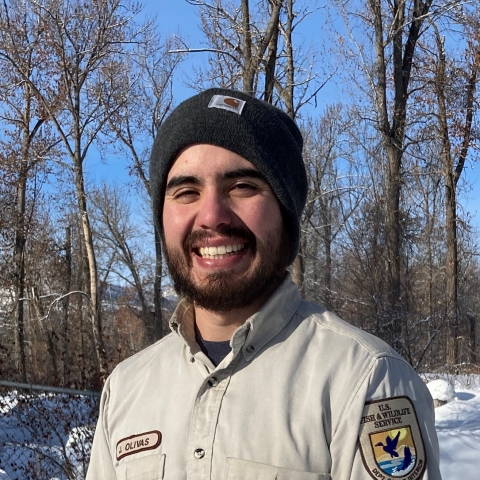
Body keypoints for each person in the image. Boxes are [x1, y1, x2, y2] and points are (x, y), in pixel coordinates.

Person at [86, 88, 442, 480]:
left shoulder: (366, 382)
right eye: (186, 192)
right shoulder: (126, 388)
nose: (211, 216)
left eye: (242, 187)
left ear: (285, 217)